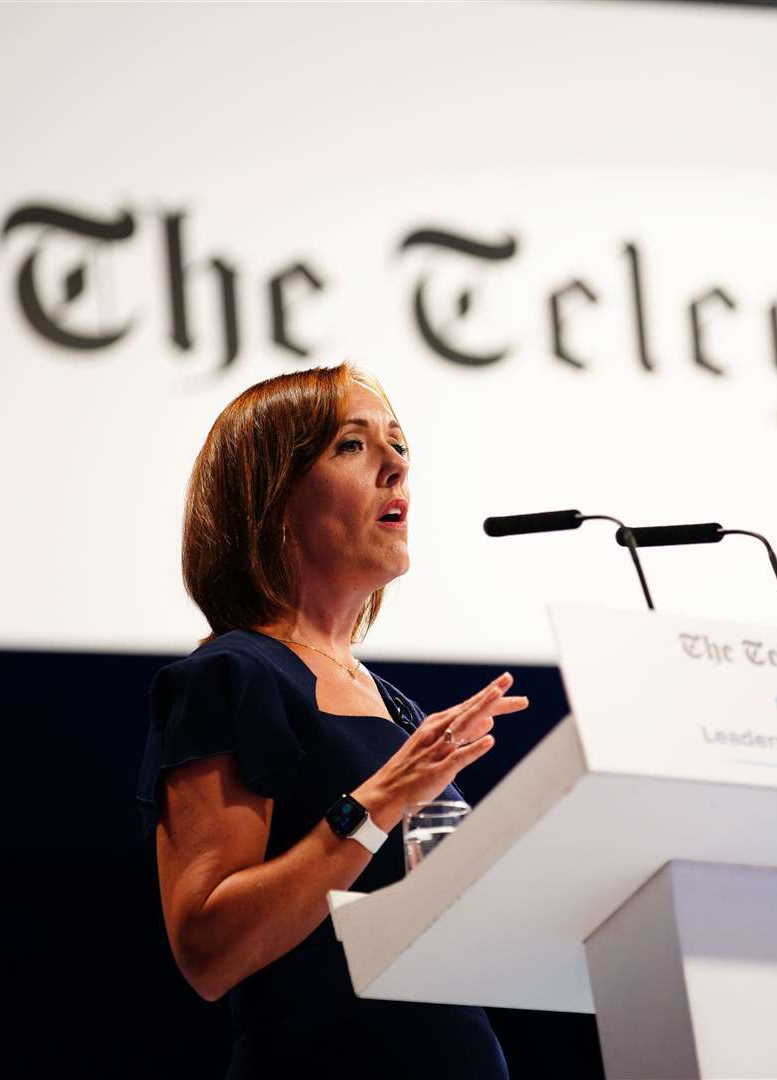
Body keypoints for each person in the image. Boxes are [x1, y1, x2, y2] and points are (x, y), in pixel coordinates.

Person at [135, 363, 528, 1078]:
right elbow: (207, 951)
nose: (396, 464)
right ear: (273, 499)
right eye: (352, 445)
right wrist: (378, 801)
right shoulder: (231, 677)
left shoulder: (395, 707)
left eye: (399, 443)